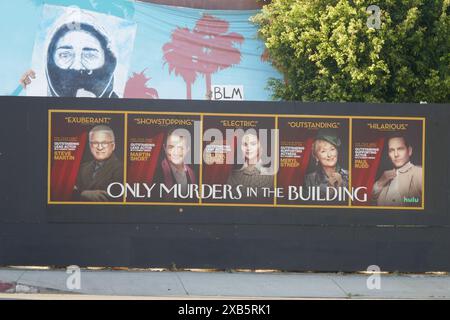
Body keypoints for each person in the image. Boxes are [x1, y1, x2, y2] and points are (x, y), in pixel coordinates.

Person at [20, 15, 118, 98]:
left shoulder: (124, 111)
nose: (77, 66)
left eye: (89, 55)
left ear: (109, 62)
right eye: (65, 55)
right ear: (49, 61)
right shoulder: (36, 106)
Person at [74, 125, 123, 201]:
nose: (100, 147)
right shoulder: (82, 168)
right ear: (90, 146)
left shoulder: (122, 169)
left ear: (113, 146)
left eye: (104, 143)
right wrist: (82, 193)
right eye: (95, 143)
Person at [372, 134, 422, 206]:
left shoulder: (419, 172)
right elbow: (370, 200)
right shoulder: (385, 177)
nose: (396, 154)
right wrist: (380, 182)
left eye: (400, 149)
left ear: (409, 151)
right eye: (391, 150)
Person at [304, 130, 349, 199]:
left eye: (332, 149)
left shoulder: (350, 176)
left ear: (337, 151)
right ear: (316, 157)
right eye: (323, 151)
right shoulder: (309, 180)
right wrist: (330, 189)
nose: (329, 155)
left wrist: (341, 186)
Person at [155, 129, 196, 196]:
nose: (176, 152)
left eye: (180, 148)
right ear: (165, 148)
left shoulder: (192, 174)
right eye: (171, 147)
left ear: (187, 150)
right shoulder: (157, 173)